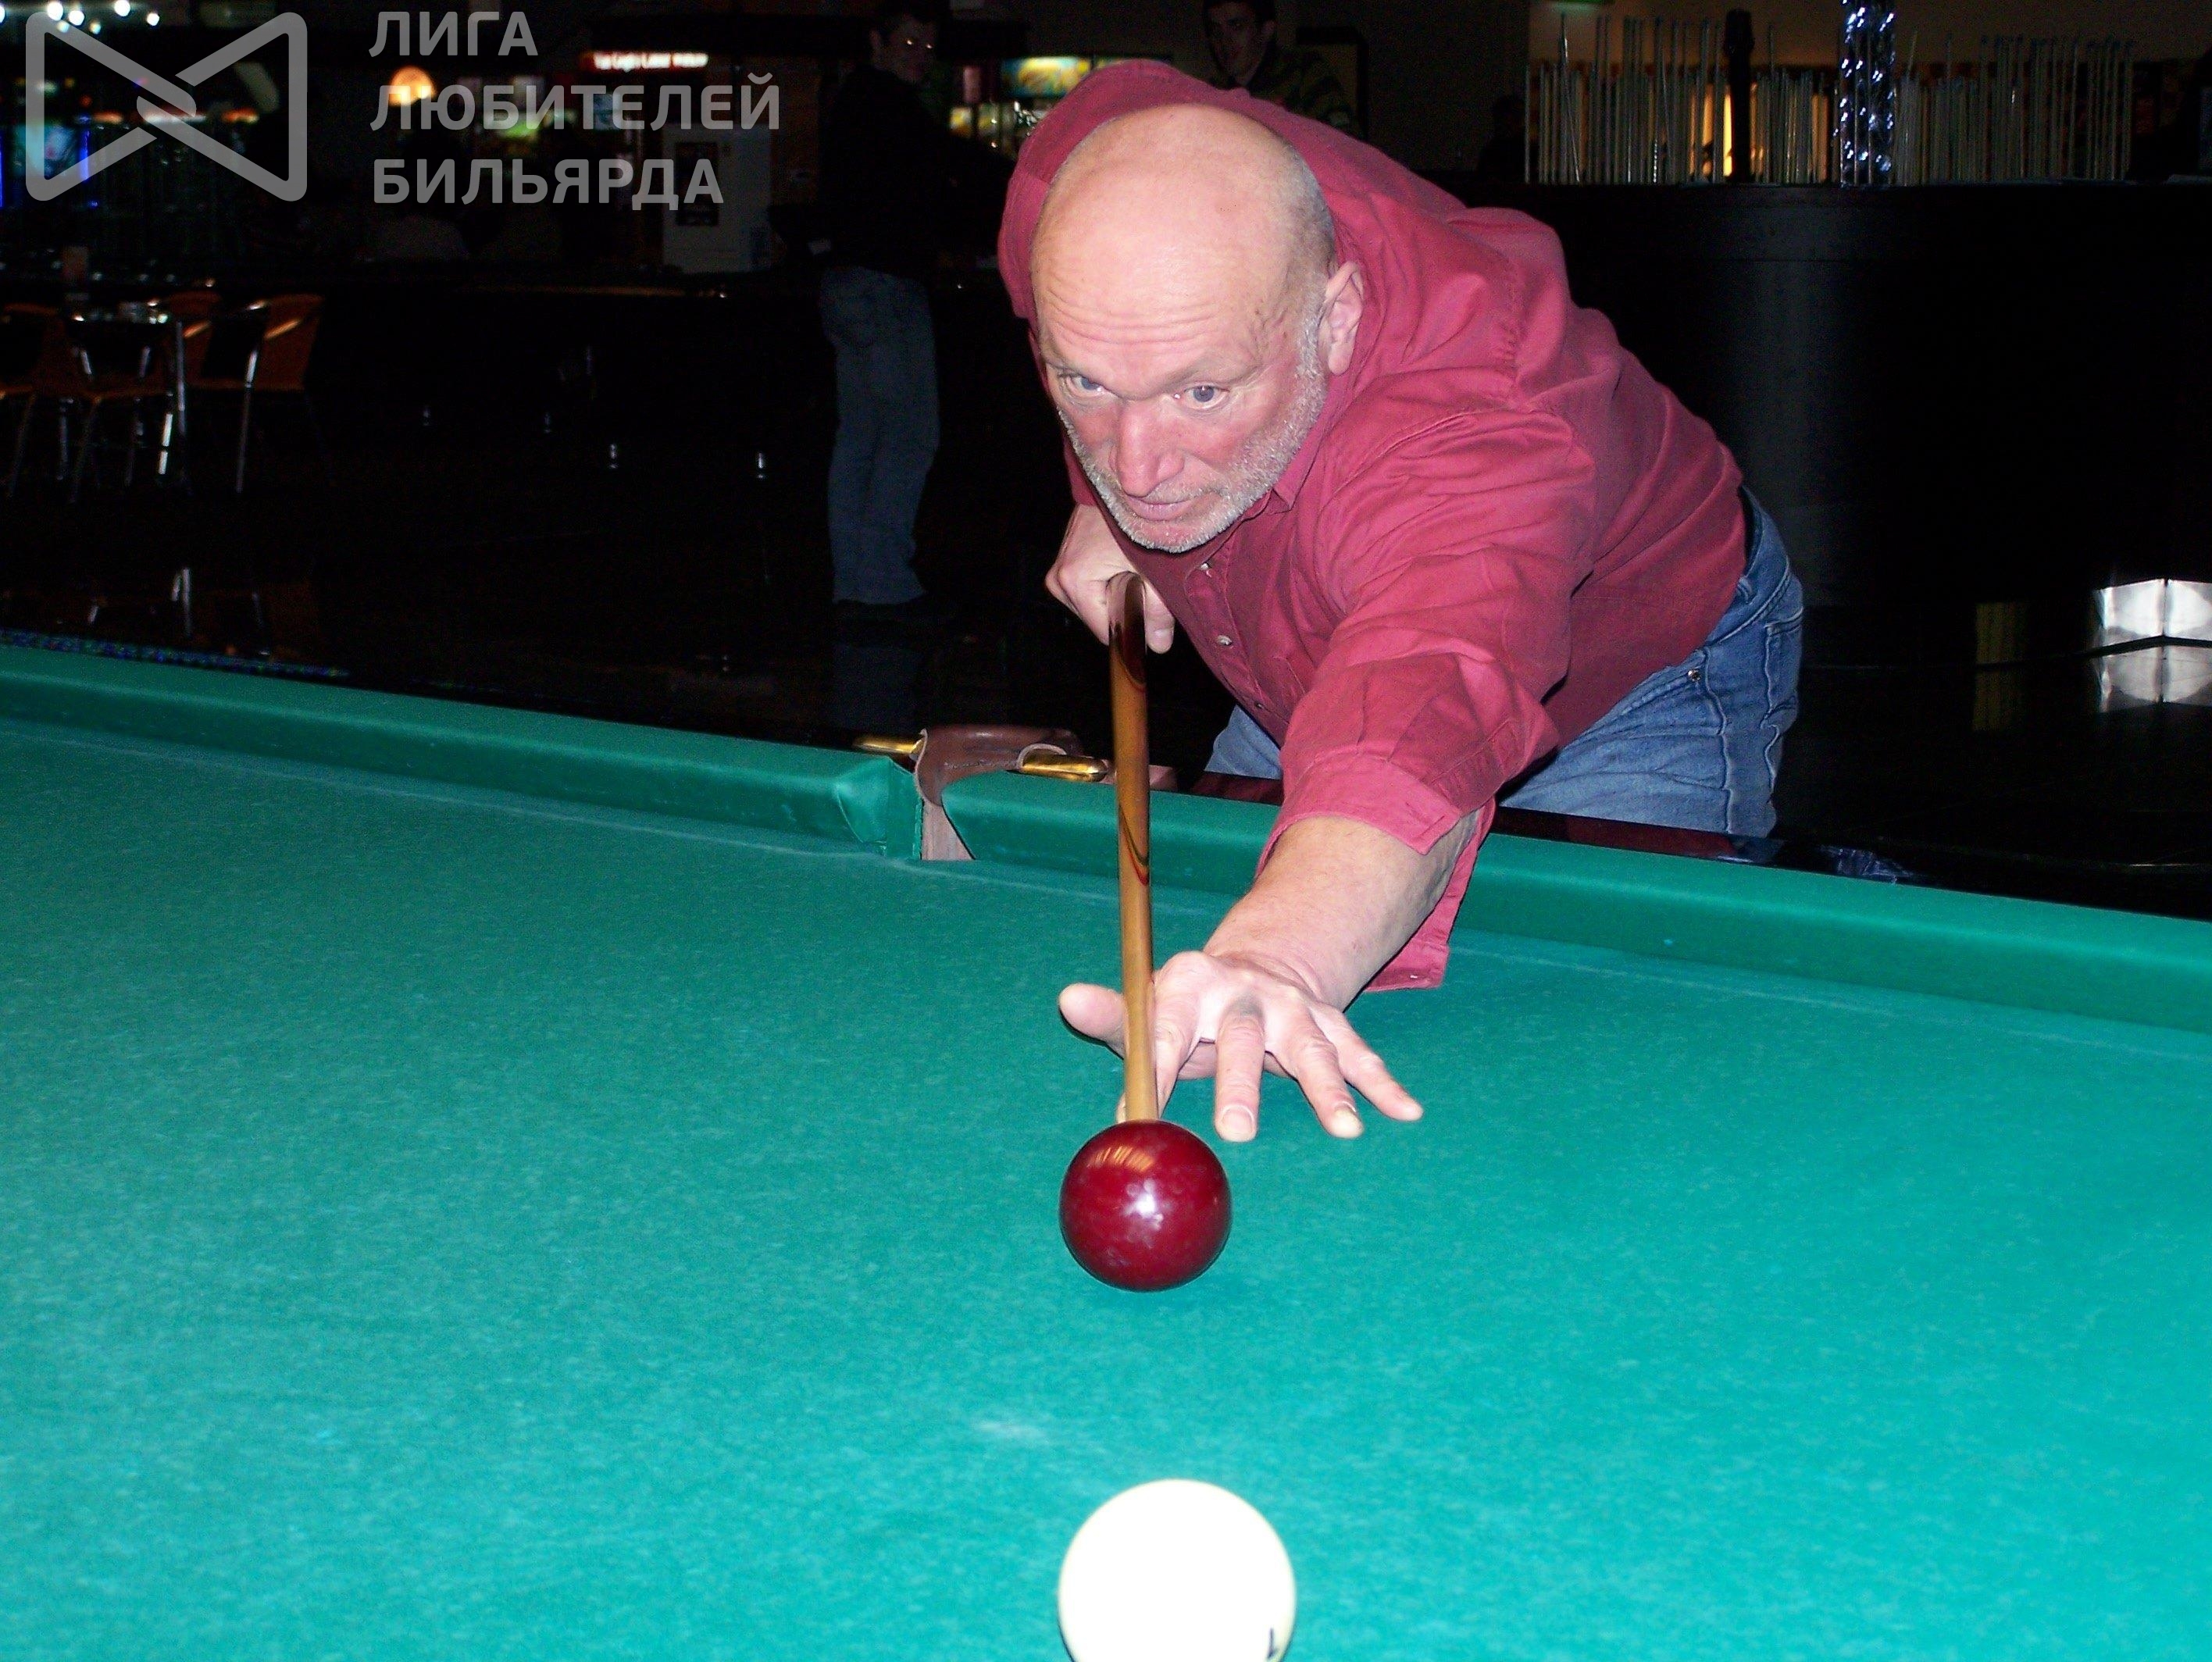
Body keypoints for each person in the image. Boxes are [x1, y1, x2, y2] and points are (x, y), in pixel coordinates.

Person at [998, 64, 1801, 1143]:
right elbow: (1102, 341)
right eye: (1087, 384)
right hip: (1305, 634)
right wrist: (1088, 488)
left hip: (1637, 669)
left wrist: (1277, 957)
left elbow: (1418, 702)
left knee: (1614, 1095)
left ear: (1336, 320)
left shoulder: (1477, 432)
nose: (1137, 468)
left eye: (1202, 391)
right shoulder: (1076, 173)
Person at [818, 0, 951, 620]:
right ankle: (883, 582)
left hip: (850, 284)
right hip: (884, 288)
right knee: (906, 436)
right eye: (910, 44)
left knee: (863, 438)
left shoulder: (857, 100)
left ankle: (857, 581)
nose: (920, 57)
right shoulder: (889, 106)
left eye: (927, 47)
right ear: (878, 42)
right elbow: (942, 180)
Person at [1201, 0, 1358, 135]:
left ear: (1265, 31)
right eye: (1216, 30)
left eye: (1237, 26)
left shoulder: (1302, 71)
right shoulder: (1214, 92)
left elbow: (1346, 140)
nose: (1224, 41)